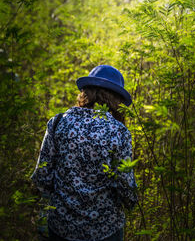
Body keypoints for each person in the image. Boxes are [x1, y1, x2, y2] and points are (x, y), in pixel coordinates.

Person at [31, 65, 137, 241]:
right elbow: (125, 185)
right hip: (105, 228)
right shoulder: (119, 131)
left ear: (85, 92)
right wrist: (133, 204)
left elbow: (42, 175)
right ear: (116, 100)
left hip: (62, 227)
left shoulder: (58, 122)